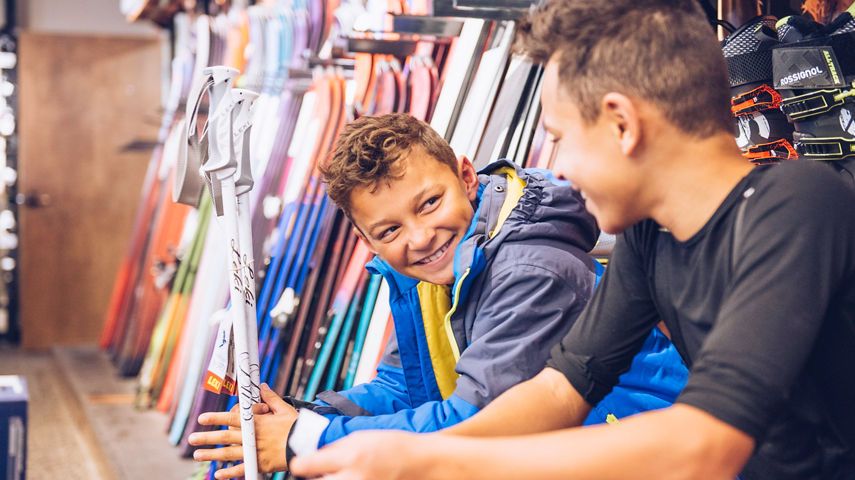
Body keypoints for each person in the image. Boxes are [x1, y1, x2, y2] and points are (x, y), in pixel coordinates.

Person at [288, 1, 855, 479]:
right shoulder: (650, 235)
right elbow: (561, 390)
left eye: (559, 139)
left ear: (621, 124)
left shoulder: (800, 203)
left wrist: (436, 461)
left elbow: (706, 442)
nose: (558, 167)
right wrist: (408, 450)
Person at [188, 113, 688, 478]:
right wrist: (307, 415)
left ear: (466, 177)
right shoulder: (430, 272)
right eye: (388, 230)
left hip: (656, 455)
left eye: (430, 203)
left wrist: (306, 441)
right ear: (367, 240)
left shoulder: (531, 267)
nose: (420, 237)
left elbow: (479, 419)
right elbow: (407, 387)